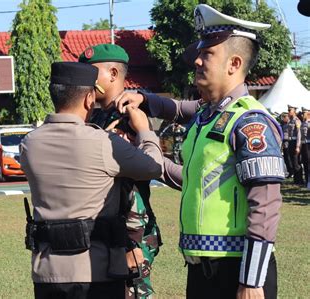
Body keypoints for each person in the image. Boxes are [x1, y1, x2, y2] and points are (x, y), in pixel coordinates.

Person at [115, 4, 284, 299]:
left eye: (207, 54)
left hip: (237, 272)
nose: (196, 61)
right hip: (201, 269)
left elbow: (266, 204)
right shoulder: (209, 114)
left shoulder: (250, 122)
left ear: (233, 64)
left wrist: (252, 280)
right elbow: (178, 110)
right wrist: (143, 98)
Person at [20, 61, 164, 299]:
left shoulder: (29, 144)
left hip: (47, 273)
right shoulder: (103, 142)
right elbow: (154, 167)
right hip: (96, 271)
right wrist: (145, 132)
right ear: (89, 98)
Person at [79, 43, 161, 299]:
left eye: (91, 73)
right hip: (104, 233)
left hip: (128, 236)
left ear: (113, 74)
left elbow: (133, 187)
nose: (85, 80)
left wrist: (134, 243)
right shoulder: (97, 118)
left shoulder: (131, 116)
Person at [288, 105, 304, 184]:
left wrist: (298, 146)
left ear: (294, 111)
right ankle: (296, 180)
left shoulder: (296, 120)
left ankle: (299, 180)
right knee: (292, 161)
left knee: (296, 162)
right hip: (290, 142)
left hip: (295, 143)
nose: (288, 112)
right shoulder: (290, 120)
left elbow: (299, 134)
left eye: (289, 110)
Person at [301, 107, 310, 188]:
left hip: (308, 145)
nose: (302, 114)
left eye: (304, 113)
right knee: (305, 163)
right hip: (303, 145)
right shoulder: (302, 122)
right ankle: (307, 182)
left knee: (308, 163)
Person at [280, 112, 292, 178]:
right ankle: (289, 172)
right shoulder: (282, 125)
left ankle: (292, 171)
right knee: (286, 158)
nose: (283, 119)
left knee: (289, 158)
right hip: (284, 143)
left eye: (284, 117)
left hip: (289, 143)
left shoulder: (289, 124)